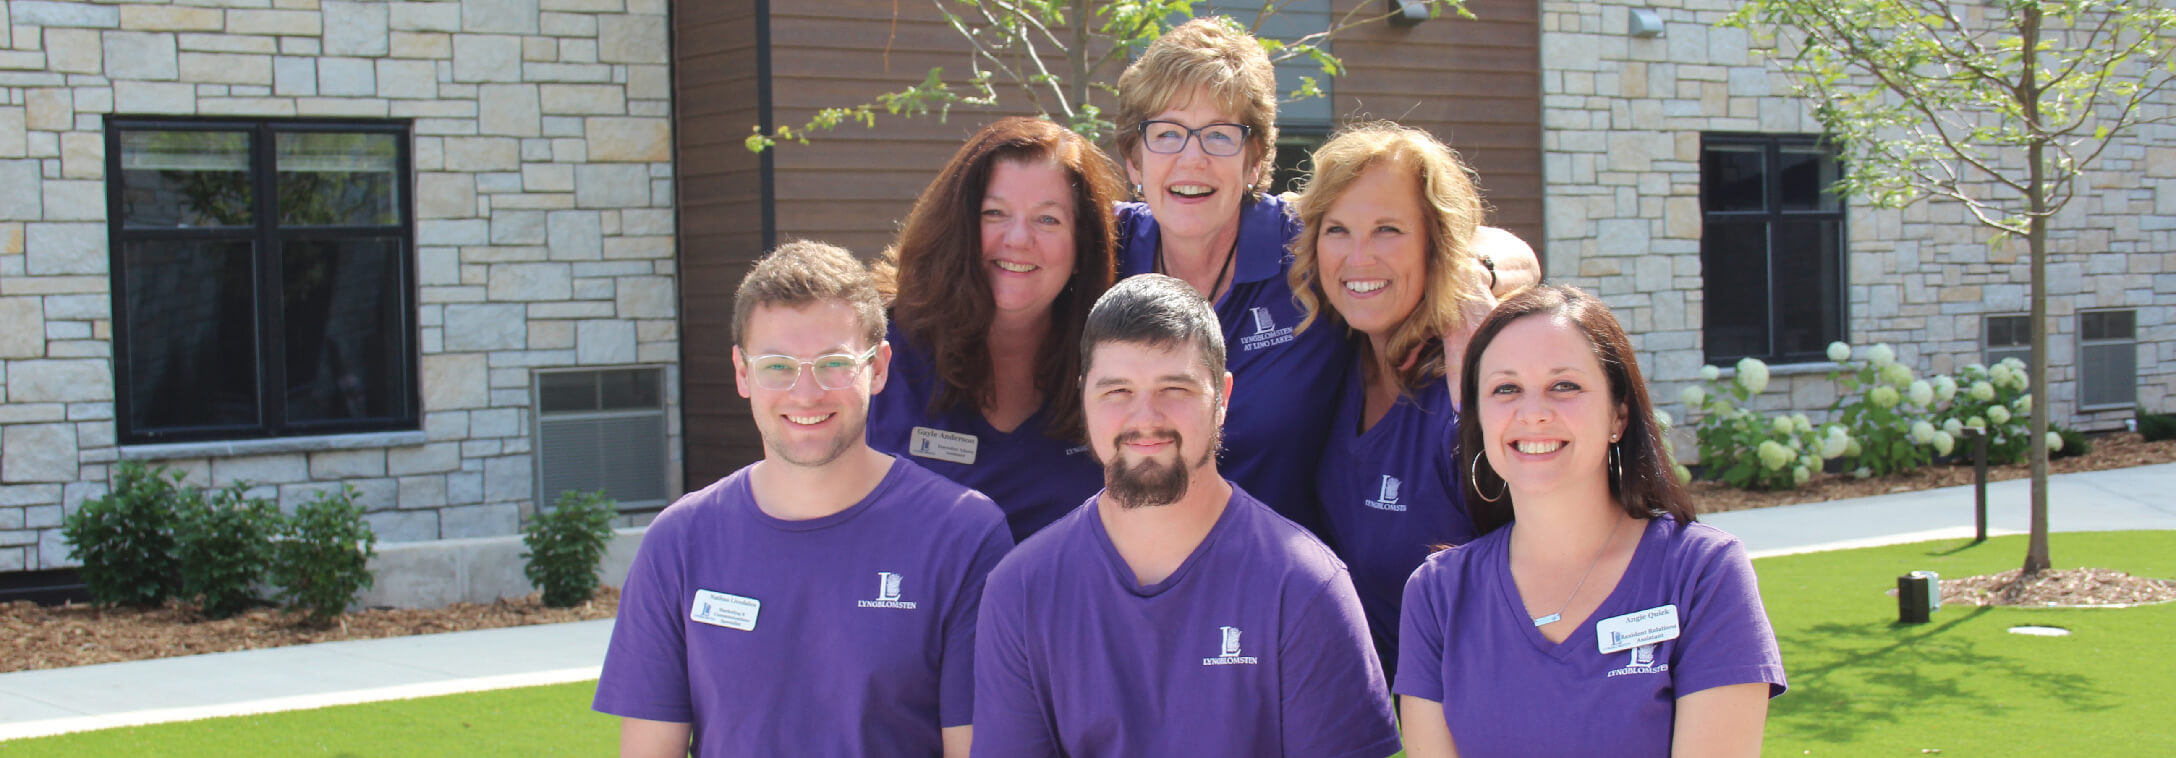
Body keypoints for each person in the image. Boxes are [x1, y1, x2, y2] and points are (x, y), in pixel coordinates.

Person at [595, 241, 1014, 758]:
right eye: (777, 365)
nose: (806, 392)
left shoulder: (963, 534)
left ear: (879, 367)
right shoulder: (679, 542)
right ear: (742, 372)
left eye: (834, 363)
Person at [971, 275, 1400, 758]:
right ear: (1083, 398)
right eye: (1117, 392)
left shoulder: (1303, 587)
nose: (1146, 417)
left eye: (1174, 388)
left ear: (1222, 398)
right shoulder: (1021, 589)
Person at [1397, 285, 1787, 758]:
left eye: (1565, 386)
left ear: (1618, 416)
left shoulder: (1702, 572)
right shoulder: (1437, 594)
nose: (1534, 412)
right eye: (1506, 388)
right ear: (1478, 420)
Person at [1110, 17, 1353, 530]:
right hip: (1128, 574)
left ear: (1254, 159)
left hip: (1282, 580)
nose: (1192, 159)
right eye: (1168, 133)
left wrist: (1480, 272)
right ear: (1134, 161)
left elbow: (1461, 251)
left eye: (1219, 135)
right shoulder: (1100, 248)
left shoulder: (1311, 247)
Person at [1288, 122, 1490, 679]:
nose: (1359, 257)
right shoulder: (1331, 361)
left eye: (1388, 230)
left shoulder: (1471, 384)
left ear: (1438, 244)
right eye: (1338, 230)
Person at [869, 116, 1126, 543]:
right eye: (995, 213)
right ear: (960, 227)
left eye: (1048, 220)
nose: (1019, 239)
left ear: (1082, 247)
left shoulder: (1112, 368)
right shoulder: (882, 357)